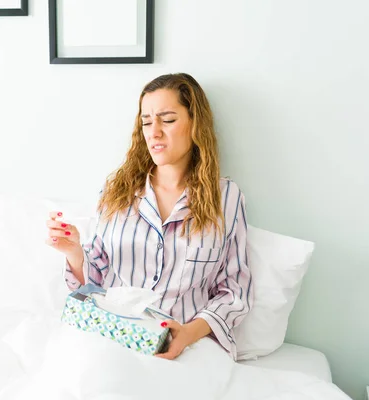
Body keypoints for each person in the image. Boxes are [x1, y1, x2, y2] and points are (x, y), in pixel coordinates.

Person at [45, 73, 252, 361]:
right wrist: (74, 253)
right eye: (146, 121)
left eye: (167, 120)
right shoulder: (117, 192)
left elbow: (234, 292)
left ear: (195, 124)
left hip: (188, 347)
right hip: (112, 335)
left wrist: (187, 334)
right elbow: (95, 280)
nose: (153, 132)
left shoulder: (226, 198)